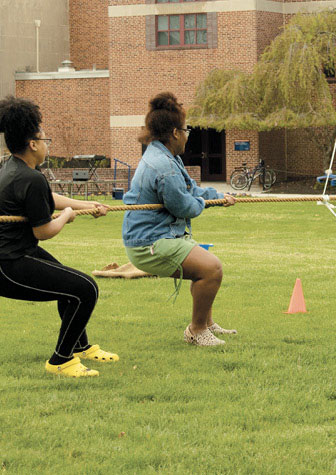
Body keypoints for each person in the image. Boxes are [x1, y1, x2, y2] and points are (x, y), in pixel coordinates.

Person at [0, 96, 117, 377]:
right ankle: (61, 361)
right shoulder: (30, 177)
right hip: (9, 263)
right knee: (86, 289)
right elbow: (43, 231)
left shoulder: (13, 168)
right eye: (44, 139)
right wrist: (66, 216)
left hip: (16, 254)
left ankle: (81, 347)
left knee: (70, 284)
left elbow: (46, 198)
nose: (46, 144)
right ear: (32, 144)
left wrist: (86, 205)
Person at [122, 92, 236, 346]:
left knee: (203, 268)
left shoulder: (168, 158)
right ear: (175, 132)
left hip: (161, 236)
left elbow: (192, 191)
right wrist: (203, 203)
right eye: (187, 130)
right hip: (149, 242)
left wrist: (219, 196)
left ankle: (206, 324)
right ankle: (196, 331)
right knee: (211, 268)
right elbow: (184, 205)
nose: (188, 134)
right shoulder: (161, 165)